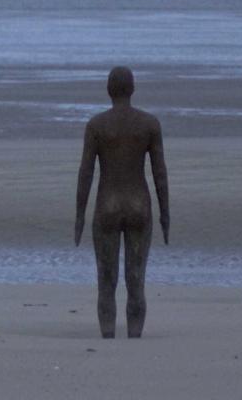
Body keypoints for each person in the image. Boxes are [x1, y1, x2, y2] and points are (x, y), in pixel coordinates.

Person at [75, 66, 170, 339]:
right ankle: (134, 335)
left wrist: (80, 215)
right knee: (135, 278)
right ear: (133, 89)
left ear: (108, 89)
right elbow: (159, 173)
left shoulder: (96, 125)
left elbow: (86, 173)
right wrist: (165, 214)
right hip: (139, 204)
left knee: (107, 280)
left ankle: (107, 334)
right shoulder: (149, 124)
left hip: (107, 205)